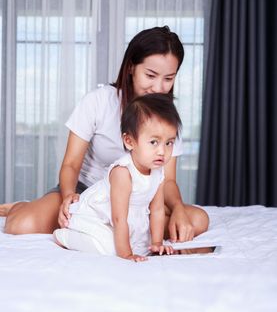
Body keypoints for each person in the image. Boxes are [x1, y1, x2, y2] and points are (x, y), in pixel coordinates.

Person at [1, 26, 209, 241]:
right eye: (150, 75)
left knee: (198, 220)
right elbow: (71, 164)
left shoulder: (168, 119)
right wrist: (67, 198)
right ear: (130, 67)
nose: (158, 87)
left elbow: (167, 181)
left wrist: (178, 210)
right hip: (87, 193)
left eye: (168, 78)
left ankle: (108, 228)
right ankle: (20, 207)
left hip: (138, 201)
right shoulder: (99, 101)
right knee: (20, 225)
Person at [54, 93, 181, 261]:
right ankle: (66, 236)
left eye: (169, 143)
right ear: (129, 141)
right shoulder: (123, 172)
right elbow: (119, 218)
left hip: (120, 221)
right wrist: (126, 255)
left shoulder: (158, 172)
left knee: (141, 246)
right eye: (153, 142)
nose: (162, 151)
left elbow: (157, 210)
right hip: (97, 218)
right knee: (109, 248)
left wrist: (156, 243)